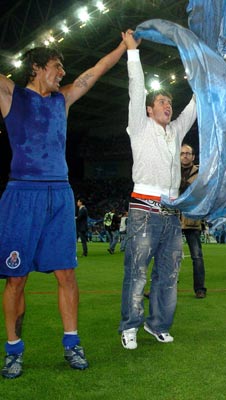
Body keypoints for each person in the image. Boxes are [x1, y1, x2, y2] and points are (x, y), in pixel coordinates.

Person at [0, 35, 128, 378]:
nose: (63, 72)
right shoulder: (11, 95)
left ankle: (72, 344)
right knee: (16, 279)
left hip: (59, 193)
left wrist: (123, 47)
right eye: (57, 66)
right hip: (22, 193)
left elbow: (95, 71)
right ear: (37, 68)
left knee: (67, 274)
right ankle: (13, 349)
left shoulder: (63, 100)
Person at [118, 30, 197, 350]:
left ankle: (158, 324)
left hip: (171, 212)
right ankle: (130, 325)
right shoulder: (140, 126)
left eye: (170, 102)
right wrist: (132, 52)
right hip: (144, 209)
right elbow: (137, 89)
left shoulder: (175, 132)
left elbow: (194, 108)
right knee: (137, 272)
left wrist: (202, 77)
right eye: (162, 101)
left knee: (168, 274)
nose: (168, 105)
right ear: (149, 109)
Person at [179, 144, 207, 299]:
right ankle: (161, 288)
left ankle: (200, 289)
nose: (185, 156)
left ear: (193, 156)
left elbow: (203, 194)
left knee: (196, 256)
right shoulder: (172, 171)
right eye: (182, 153)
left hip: (192, 219)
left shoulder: (200, 174)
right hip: (173, 219)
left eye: (188, 153)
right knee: (167, 256)